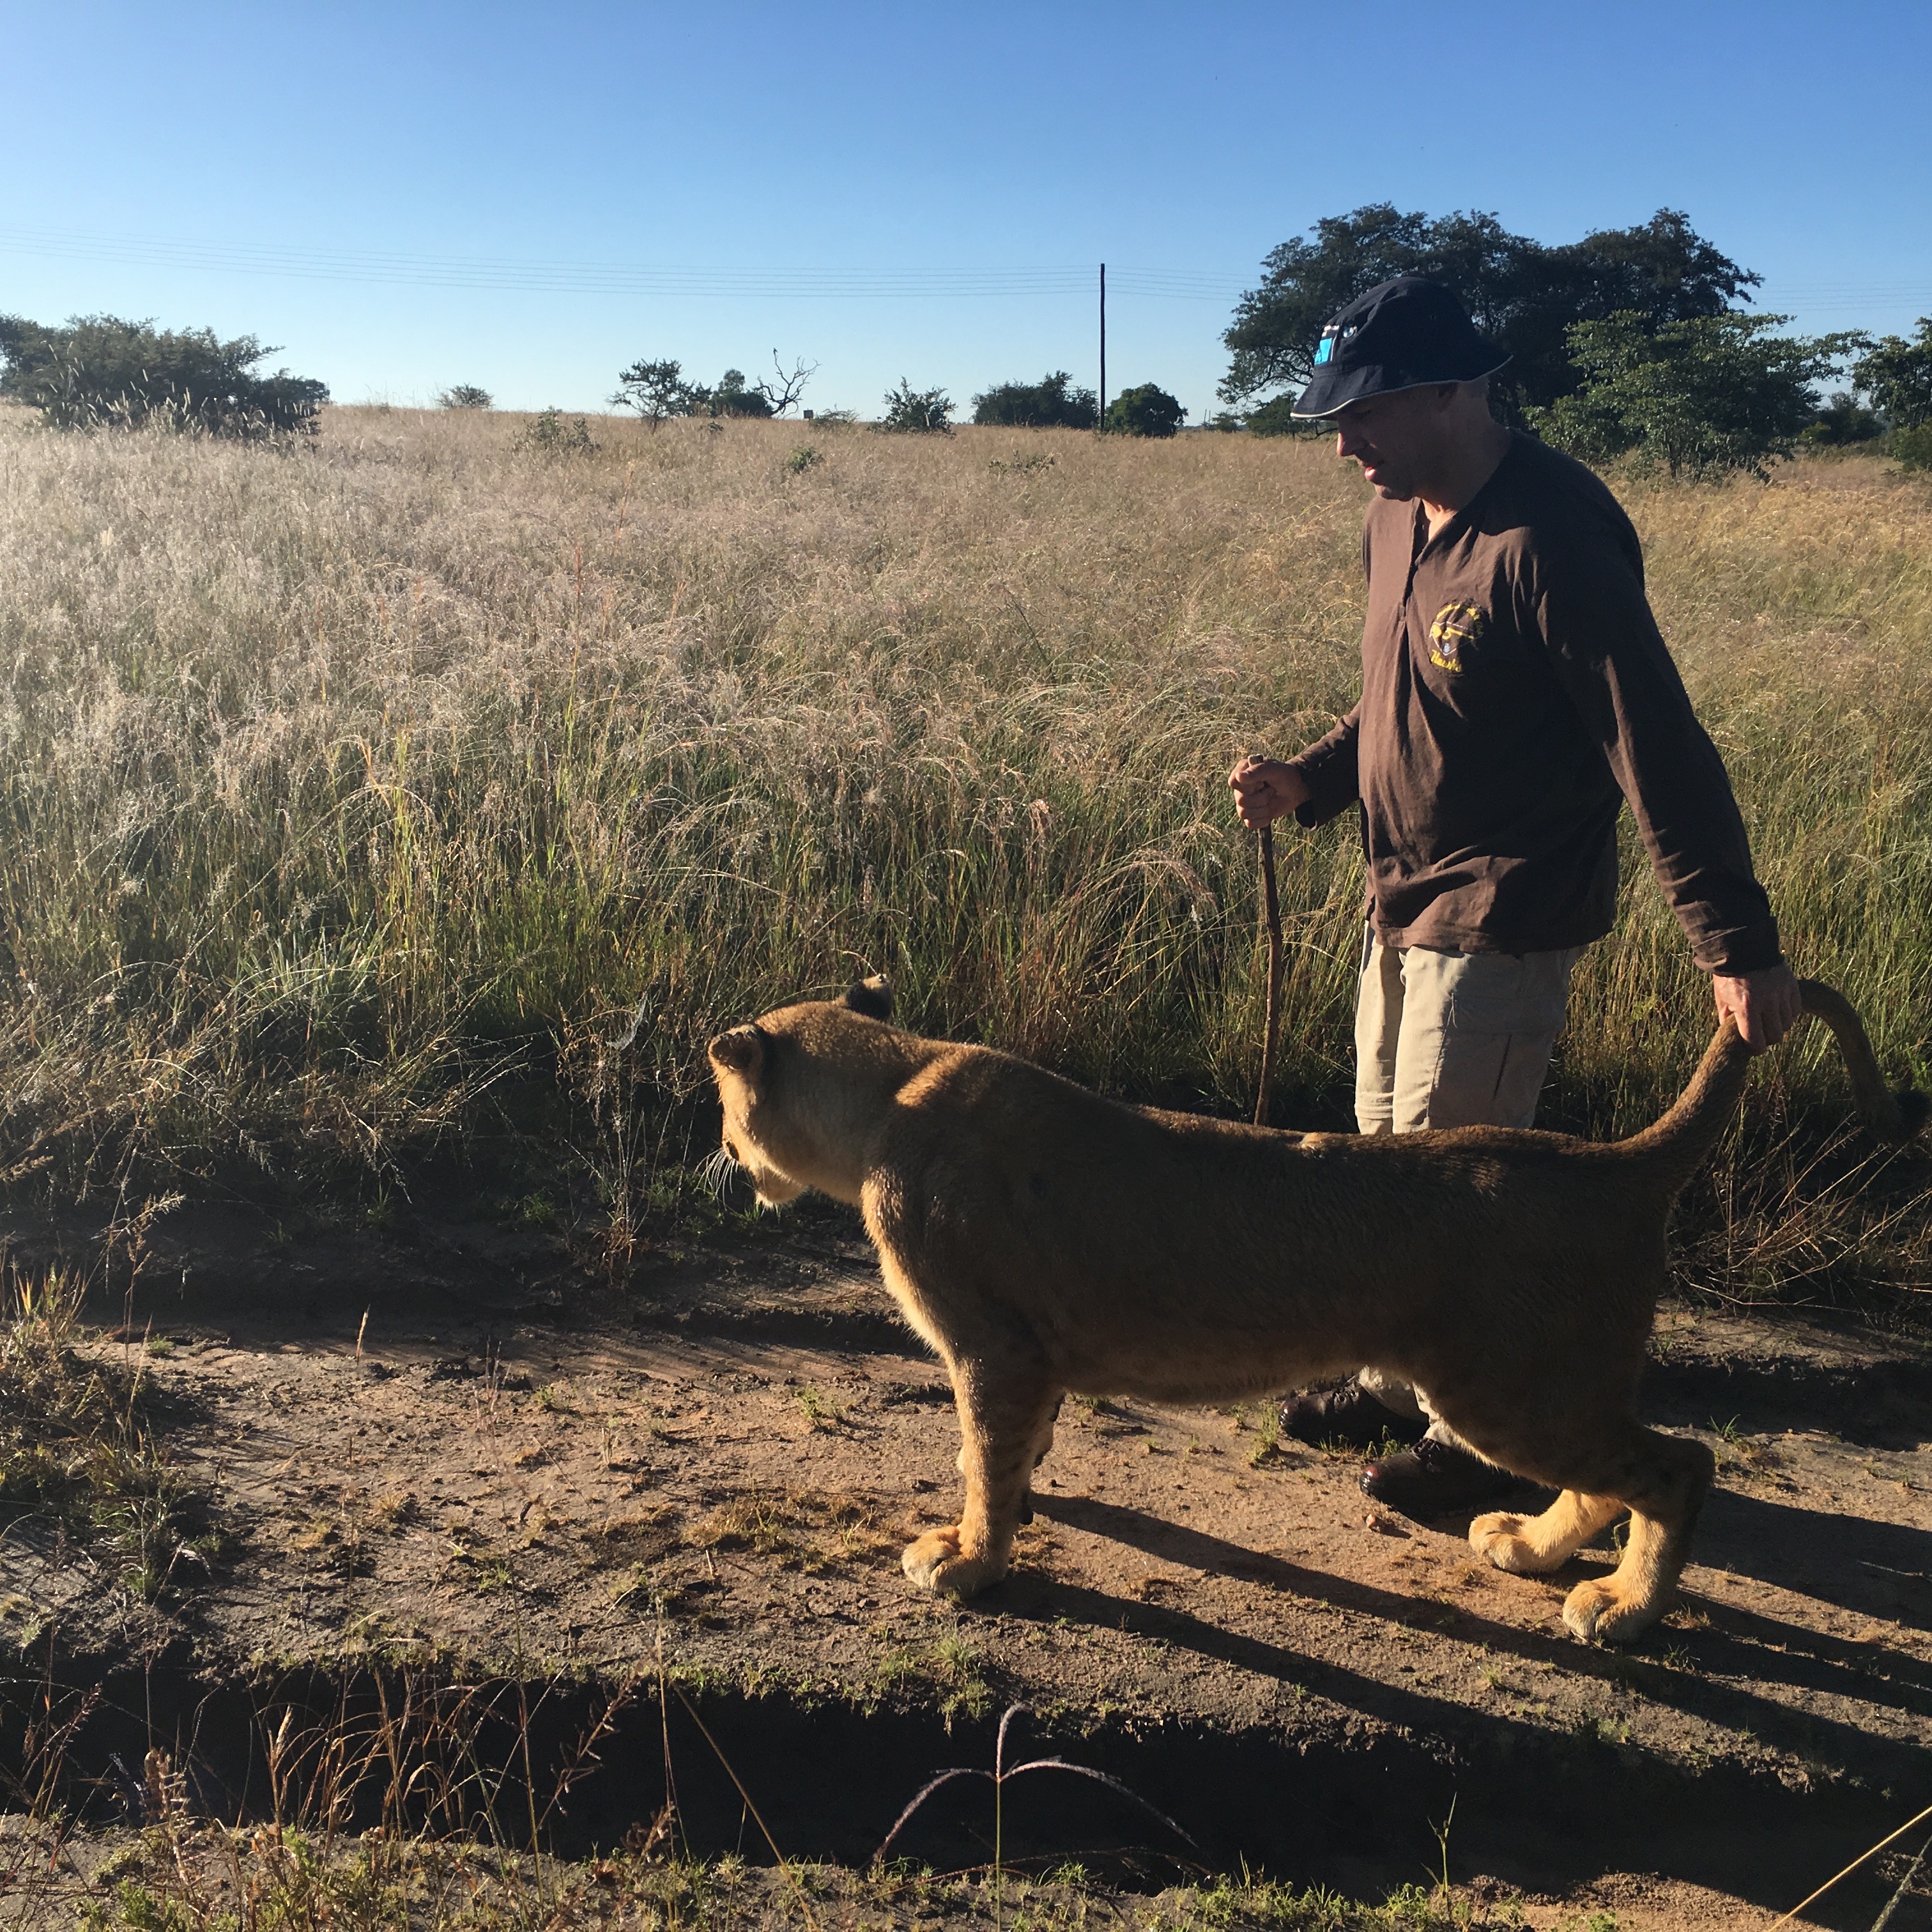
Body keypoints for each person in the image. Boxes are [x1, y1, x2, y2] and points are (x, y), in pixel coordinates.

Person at [1229, 277, 1802, 1515]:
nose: (1343, 445)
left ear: (1454, 390)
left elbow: (1655, 744)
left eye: (1365, 413)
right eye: (1333, 418)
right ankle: (1391, 1384)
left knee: (1453, 1209)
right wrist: (1311, 781)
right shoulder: (1403, 518)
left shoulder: (1552, 536)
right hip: (1396, 902)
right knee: (1384, 1176)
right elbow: (1397, 699)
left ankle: (1477, 1438)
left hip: (1500, 920)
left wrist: (1736, 942)